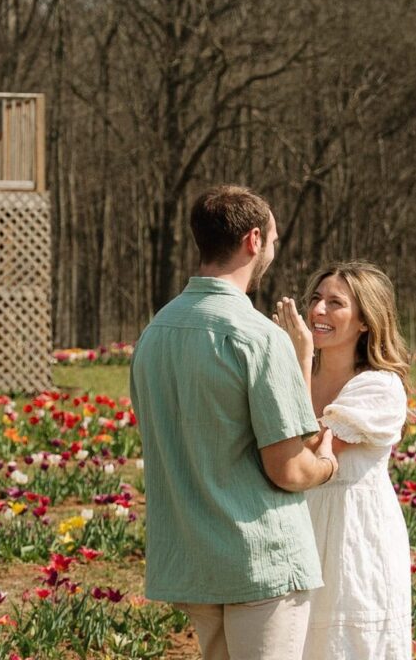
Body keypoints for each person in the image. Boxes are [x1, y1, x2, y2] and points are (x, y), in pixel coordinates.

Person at [130, 185, 339, 660]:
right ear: (252, 240)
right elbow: (288, 469)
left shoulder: (154, 333)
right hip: (260, 558)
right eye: (273, 240)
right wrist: (326, 463)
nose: (271, 249)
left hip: (192, 558)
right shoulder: (258, 337)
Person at [273, 260, 412, 660]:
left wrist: (296, 360)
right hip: (297, 528)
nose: (318, 311)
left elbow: (303, 443)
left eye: (336, 303)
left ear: (366, 320)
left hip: (356, 537)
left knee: (345, 643)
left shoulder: (380, 387)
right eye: (315, 299)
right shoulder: (299, 374)